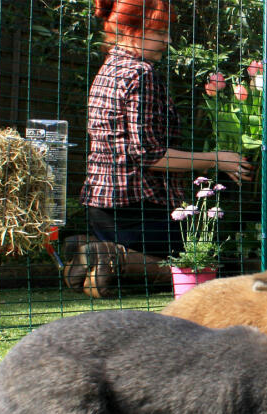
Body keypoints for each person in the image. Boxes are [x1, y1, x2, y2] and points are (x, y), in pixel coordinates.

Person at [64, 0, 252, 295]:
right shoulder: (141, 73)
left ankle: (95, 250)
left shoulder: (108, 69)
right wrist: (216, 159)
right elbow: (148, 155)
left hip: (100, 210)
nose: (167, 40)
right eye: (160, 31)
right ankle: (111, 257)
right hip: (135, 210)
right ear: (132, 31)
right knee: (210, 261)